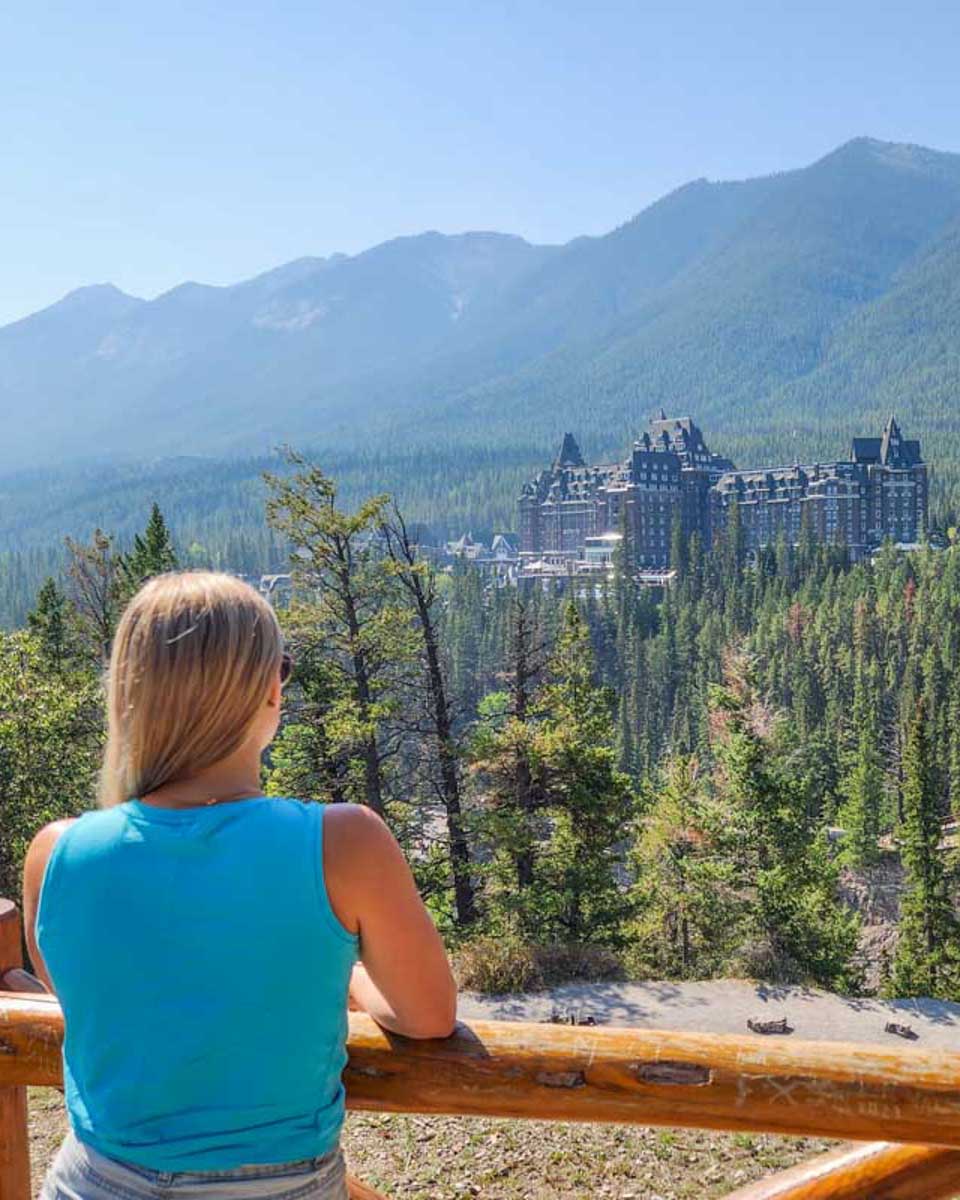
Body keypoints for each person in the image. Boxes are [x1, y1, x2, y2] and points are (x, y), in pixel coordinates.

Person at [22, 570, 457, 1200]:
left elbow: (97, 1003)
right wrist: (348, 968)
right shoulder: (345, 843)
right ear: (267, 693)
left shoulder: (57, 853)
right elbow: (428, 1017)